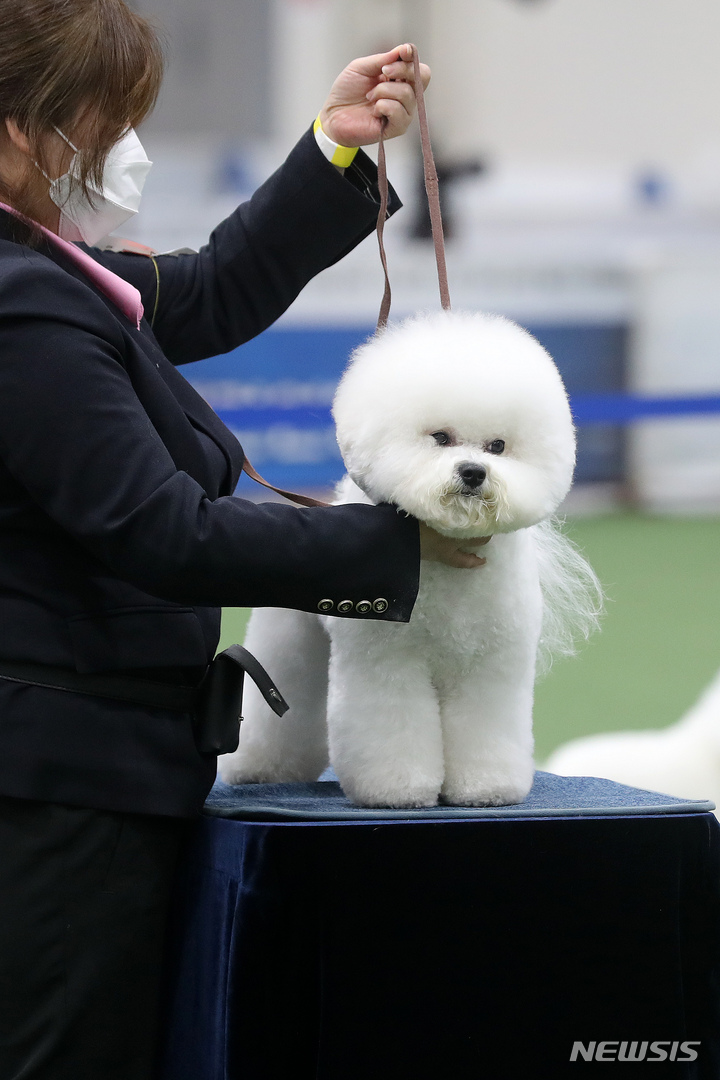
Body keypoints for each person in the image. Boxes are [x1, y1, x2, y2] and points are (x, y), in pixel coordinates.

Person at [0, 2, 487, 1077]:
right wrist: (393, 550)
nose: (124, 142)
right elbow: (162, 531)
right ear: (24, 128)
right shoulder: (19, 304)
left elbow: (212, 286)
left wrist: (335, 145)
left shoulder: (47, 268)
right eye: (107, 115)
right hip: (59, 790)